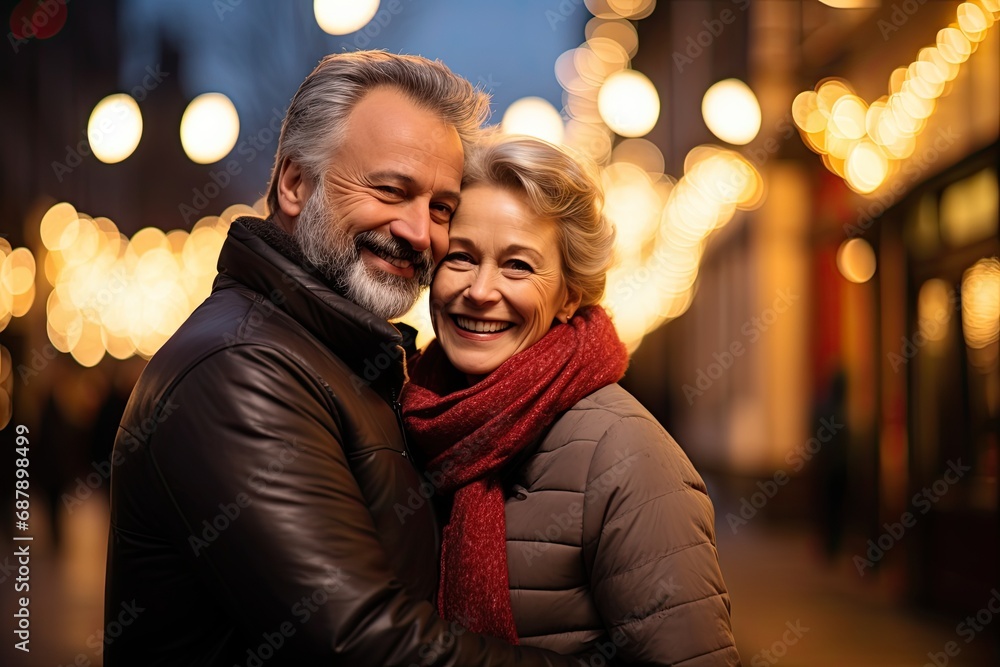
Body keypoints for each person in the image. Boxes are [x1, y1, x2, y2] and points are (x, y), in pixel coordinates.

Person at [104, 52, 594, 666]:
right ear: (293, 183)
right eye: (391, 190)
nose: (419, 232)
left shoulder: (345, 358)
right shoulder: (242, 370)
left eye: (441, 208)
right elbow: (362, 641)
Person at [401, 136, 741, 666]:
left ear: (570, 295)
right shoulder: (408, 417)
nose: (481, 290)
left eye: (518, 266)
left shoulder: (628, 454)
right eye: (462, 257)